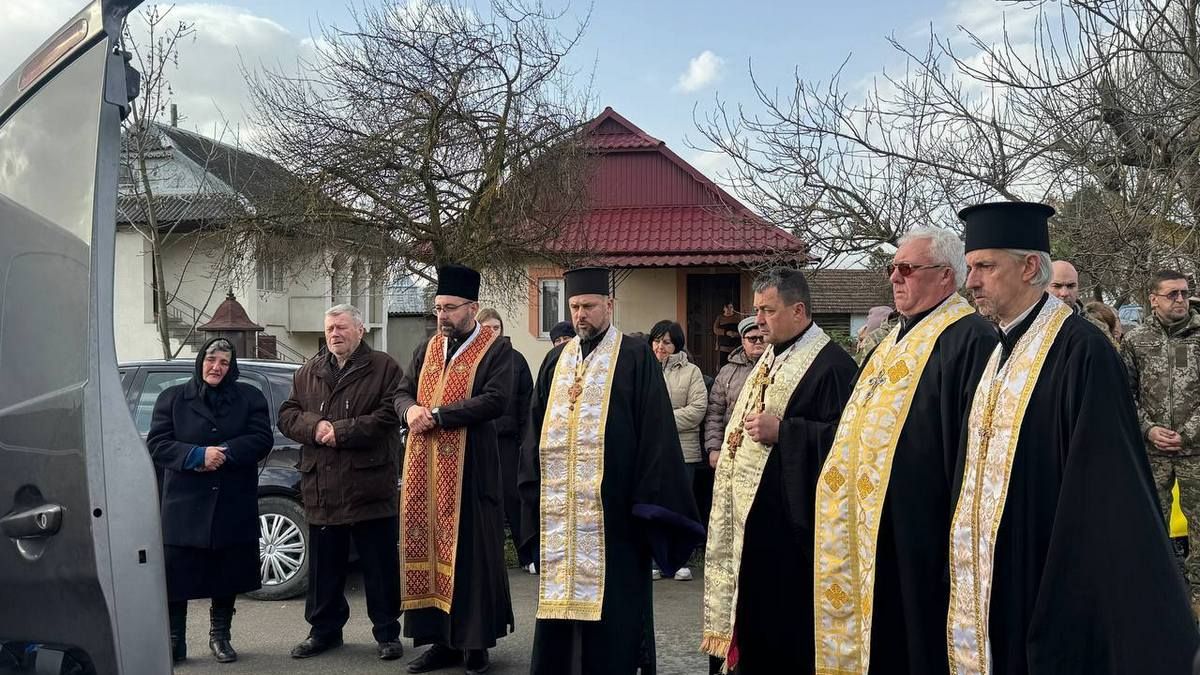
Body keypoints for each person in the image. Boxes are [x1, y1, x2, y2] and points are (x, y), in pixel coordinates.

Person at [946, 202, 1197, 675]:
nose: (971, 281)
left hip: (1044, 566)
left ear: (1029, 267)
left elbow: (1103, 490)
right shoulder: (998, 349)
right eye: (970, 267)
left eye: (984, 266)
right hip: (990, 568)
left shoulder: (1084, 350)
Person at [812, 228, 998, 675]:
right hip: (872, 530)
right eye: (892, 268)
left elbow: (971, 448)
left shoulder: (971, 338)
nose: (895, 278)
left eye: (907, 269)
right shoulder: (892, 340)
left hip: (922, 533)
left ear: (946, 277)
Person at [520, 267, 704, 675]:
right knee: (558, 616)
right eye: (574, 307)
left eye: (588, 306)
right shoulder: (555, 360)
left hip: (615, 518)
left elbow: (656, 434)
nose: (580, 314)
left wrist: (647, 506)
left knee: (615, 617)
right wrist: (531, 493)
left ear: (609, 304)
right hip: (561, 518)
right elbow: (534, 430)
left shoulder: (636, 356)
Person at [702, 268, 857, 674]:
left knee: (782, 636)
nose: (759, 320)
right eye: (756, 310)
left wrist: (785, 432)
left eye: (768, 311)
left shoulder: (832, 366)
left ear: (798, 310)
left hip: (790, 534)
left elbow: (847, 443)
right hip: (751, 526)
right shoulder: (771, 357)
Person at [396, 265, 514, 675]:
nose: (442, 315)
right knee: (430, 552)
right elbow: (401, 392)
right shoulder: (427, 348)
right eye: (438, 308)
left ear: (472, 308)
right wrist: (410, 411)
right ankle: (440, 643)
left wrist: (440, 415)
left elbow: (496, 399)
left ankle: (475, 645)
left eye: (449, 308)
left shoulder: (495, 349)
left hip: (472, 474)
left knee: (472, 560)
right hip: (425, 475)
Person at [278, 304, 404, 661]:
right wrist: (315, 427)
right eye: (330, 328)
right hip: (323, 486)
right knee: (324, 569)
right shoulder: (308, 371)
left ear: (360, 330)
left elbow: (389, 414)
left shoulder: (384, 368)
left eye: (342, 327)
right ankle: (324, 631)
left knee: (379, 567)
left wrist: (342, 432)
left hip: (369, 485)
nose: (335, 334)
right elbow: (287, 415)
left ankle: (387, 633)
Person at [147, 338, 273, 664]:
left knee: (225, 572)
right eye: (211, 359)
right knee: (177, 576)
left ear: (232, 368)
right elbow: (158, 444)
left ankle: (220, 636)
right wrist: (196, 455)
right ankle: (175, 640)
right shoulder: (172, 398)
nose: (216, 367)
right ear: (200, 360)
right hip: (183, 505)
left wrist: (225, 453)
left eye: (224, 362)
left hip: (232, 500)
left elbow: (262, 439)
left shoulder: (250, 398)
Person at [1121, 269, 1200, 611]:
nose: (1180, 299)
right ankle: (1157, 593)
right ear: (1153, 299)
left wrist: (1188, 433)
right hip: (1152, 452)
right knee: (1150, 521)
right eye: (1172, 294)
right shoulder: (1135, 341)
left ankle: (1197, 595)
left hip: (1195, 450)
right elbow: (1124, 393)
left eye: (1184, 293)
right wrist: (1148, 429)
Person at [476, 307, 538, 576]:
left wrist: (526, 442)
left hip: (509, 442)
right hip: (479, 440)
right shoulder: (472, 360)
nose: (491, 333)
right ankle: (488, 558)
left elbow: (527, 403)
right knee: (484, 499)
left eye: (496, 328)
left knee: (514, 498)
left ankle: (527, 554)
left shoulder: (516, 360)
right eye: (486, 328)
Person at [648, 319, 708, 582]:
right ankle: (655, 559)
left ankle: (680, 560)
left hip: (684, 451)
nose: (660, 346)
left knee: (680, 505)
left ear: (677, 345)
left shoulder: (691, 372)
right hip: (651, 451)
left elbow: (697, 409)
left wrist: (662, 419)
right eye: (657, 340)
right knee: (654, 506)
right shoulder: (644, 367)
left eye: (667, 342)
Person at [704, 317, 767, 472]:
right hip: (734, 448)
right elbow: (715, 413)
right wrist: (714, 448)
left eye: (762, 338)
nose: (758, 342)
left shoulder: (779, 367)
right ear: (743, 341)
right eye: (752, 338)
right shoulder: (727, 372)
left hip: (767, 449)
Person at [713, 302, 741, 367]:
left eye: (730, 307)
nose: (729, 309)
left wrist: (736, 334)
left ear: (733, 309)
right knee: (722, 365)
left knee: (735, 365)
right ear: (724, 309)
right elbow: (715, 329)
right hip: (722, 347)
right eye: (727, 307)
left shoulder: (738, 317)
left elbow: (742, 329)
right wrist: (726, 332)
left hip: (735, 347)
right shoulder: (720, 317)